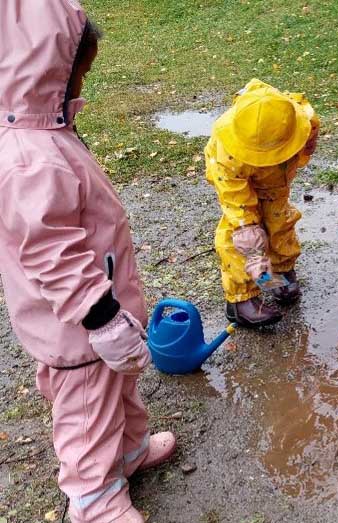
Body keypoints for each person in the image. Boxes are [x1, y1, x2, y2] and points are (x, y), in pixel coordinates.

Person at [0, 2, 175, 522]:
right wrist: (100, 317)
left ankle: (129, 451)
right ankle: (94, 500)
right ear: (47, 69)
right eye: (79, 74)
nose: (81, 86)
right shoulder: (28, 157)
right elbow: (49, 250)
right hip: (79, 327)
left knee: (118, 390)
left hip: (105, 311)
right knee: (86, 409)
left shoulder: (49, 134)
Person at [205, 79, 319, 327]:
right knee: (240, 236)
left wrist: (309, 143)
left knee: (280, 224)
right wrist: (249, 234)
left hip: (276, 184)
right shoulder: (226, 150)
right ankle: (241, 298)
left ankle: (277, 275)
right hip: (241, 184)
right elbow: (235, 199)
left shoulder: (297, 115)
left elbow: (311, 126)